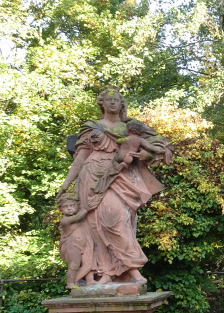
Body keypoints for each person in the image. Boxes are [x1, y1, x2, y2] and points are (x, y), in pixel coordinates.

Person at [56, 86, 173, 286]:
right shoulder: (91, 127)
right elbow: (80, 158)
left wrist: (145, 154)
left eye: (116, 99)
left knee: (114, 220)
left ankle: (132, 267)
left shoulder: (132, 127)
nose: (112, 102)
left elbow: (162, 146)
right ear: (101, 103)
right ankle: (106, 273)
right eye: (108, 99)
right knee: (95, 228)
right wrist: (66, 184)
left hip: (119, 175)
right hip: (91, 175)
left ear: (121, 104)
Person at [56, 192, 96, 289]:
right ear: (60, 209)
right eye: (65, 206)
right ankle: (70, 283)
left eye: (72, 205)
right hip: (72, 247)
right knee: (74, 264)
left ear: (78, 206)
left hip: (85, 246)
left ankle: (90, 280)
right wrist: (86, 208)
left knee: (89, 263)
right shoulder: (65, 221)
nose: (69, 208)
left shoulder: (82, 220)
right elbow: (78, 217)